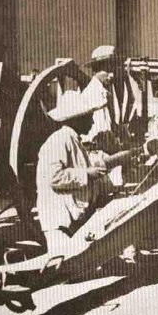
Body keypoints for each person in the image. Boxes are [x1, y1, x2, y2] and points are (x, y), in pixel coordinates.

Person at [35, 90, 111, 254]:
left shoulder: (72, 140)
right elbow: (54, 177)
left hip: (70, 218)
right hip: (58, 220)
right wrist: (87, 174)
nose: (92, 122)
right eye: (89, 117)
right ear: (77, 119)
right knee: (64, 263)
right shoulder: (59, 140)